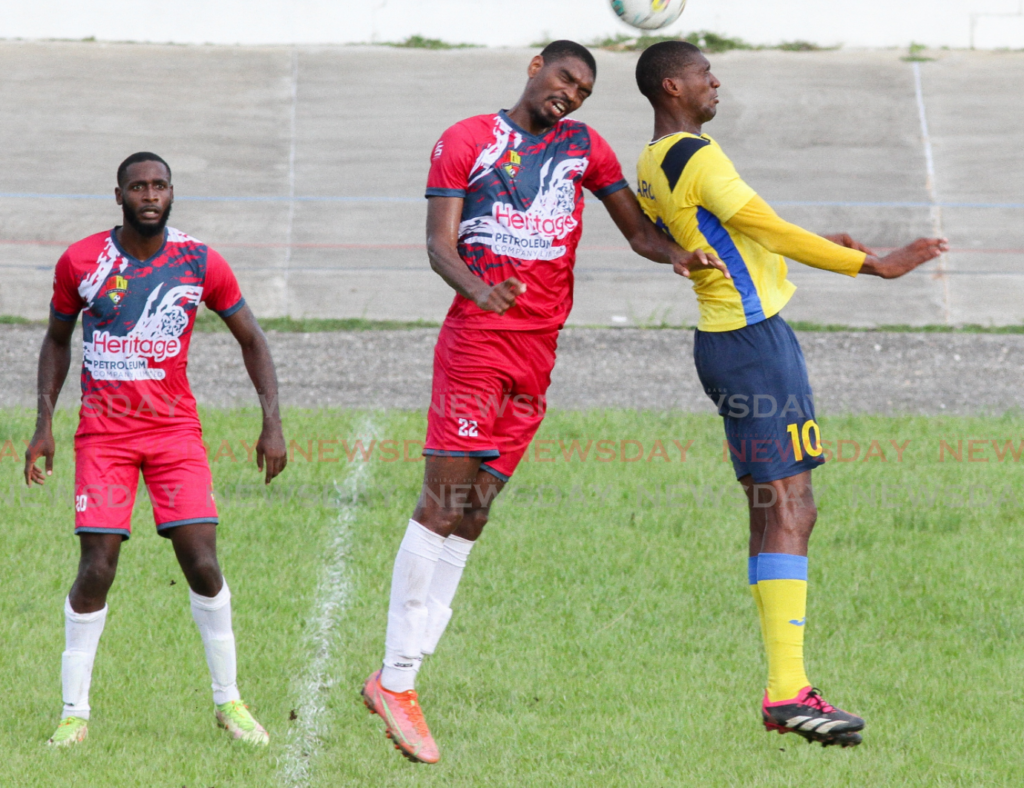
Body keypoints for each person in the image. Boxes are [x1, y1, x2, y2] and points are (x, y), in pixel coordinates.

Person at [360, 40, 729, 764]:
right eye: (565, 78)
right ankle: (398, 682)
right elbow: (438, 245)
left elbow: (634, 232)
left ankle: (398, 671)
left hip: (539, 351)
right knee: (442, 502)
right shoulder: (467, 140)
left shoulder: (584, 148)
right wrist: (477, 289)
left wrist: (677, 254)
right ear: (536, 67)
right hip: (477, 343)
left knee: (475, 512)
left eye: (585, 90)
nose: (571, 94)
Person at [633, 41, 948, 747]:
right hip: (753, 347)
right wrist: (871, 265)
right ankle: (785, 691)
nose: (718, 82)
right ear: (673, 85)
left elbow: (723, 236)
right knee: (792, 509)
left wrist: (797, 246)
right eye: (707, 73)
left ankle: (785, 683)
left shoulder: (651, 163)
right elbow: (760, 226)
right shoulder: (694, 155)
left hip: (727, 343)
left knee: (772, 508)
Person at [24, 152, 287, 748]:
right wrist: (45, 424)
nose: (150, 194)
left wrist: (271, 422)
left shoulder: (199, 261)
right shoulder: (82, 261)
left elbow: (253, 338)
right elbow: (56, 341)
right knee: (97, 568)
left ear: (172, 194)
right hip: (105, 438)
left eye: (160, 185)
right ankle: (73, 714)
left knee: (202, 564)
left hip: (174, 437)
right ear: (118, 195)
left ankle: (230, 703)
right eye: (139, 186)